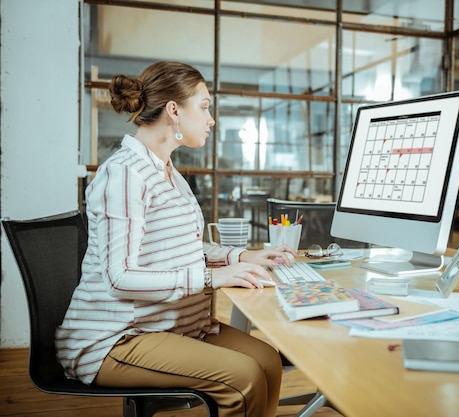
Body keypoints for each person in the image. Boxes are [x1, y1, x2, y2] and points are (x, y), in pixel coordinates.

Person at [55, 61, 297, 417]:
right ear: (174, 111)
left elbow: (180, 245)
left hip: (174, 324)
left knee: (267, 361)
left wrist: (239, 258)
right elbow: (119, 277)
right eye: (204, 106)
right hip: (118, 338)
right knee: (243, 376)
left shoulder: (169, 172)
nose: (211, 118)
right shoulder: (124, 175)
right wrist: (212, 277)